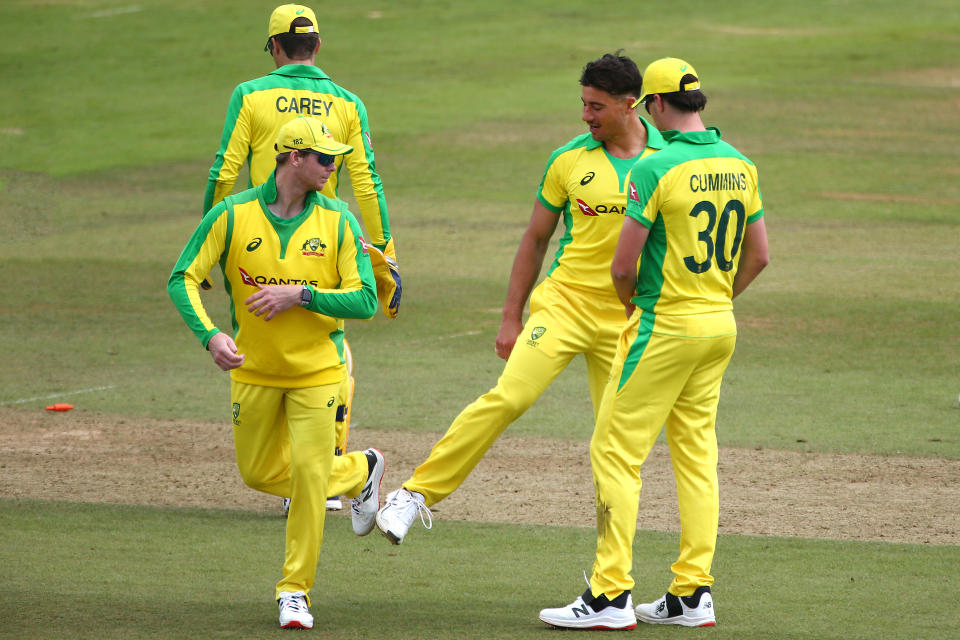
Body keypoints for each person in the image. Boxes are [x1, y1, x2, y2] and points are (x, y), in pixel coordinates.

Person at [375, 53, 666, 544]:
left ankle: (609, 584)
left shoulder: (666, 161)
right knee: (510, 396)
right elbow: (534, 240)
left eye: (596, 107)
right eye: (582, 104)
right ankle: (414, 494)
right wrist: (510, 317)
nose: (585, 116)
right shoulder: (569, 160)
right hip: (564, 306)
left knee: (615, 447)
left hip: (628, 321)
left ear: (629, 104)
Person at [538, 57, 770, 630]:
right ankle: (693, 593)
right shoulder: (741, 164)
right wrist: (716, 300)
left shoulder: (655, 166)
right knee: (696, 456)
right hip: (719, 326)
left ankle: (609, 595)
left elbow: (623, 268)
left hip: (663, 326)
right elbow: (760, 256)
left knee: (614, 450)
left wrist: (635, 309)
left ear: (656, 105)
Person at [168, 116, 387, 630]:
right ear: (294, 157)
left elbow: (366, 300)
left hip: (318, 373)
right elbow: (184, 277)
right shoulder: (232, 214)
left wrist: (302, 295)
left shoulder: (338, 220)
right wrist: (211, 336)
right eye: (324, 159)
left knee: (309, 481)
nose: (334, 167)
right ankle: (361, 471)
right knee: (259, 473)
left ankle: (294, 592)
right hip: (253, 371)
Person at [205, 3, 401, 511]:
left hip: (256, 234)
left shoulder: (250, 94)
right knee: (323, 334)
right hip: (326, 232)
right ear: (319, 44)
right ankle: (326, 471)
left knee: (274, 336)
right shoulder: (347, 102)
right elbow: (367, 180)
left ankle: (322, 473)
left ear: (273, 47)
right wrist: (386, 254)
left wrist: (212, 239)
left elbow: (224, 170)